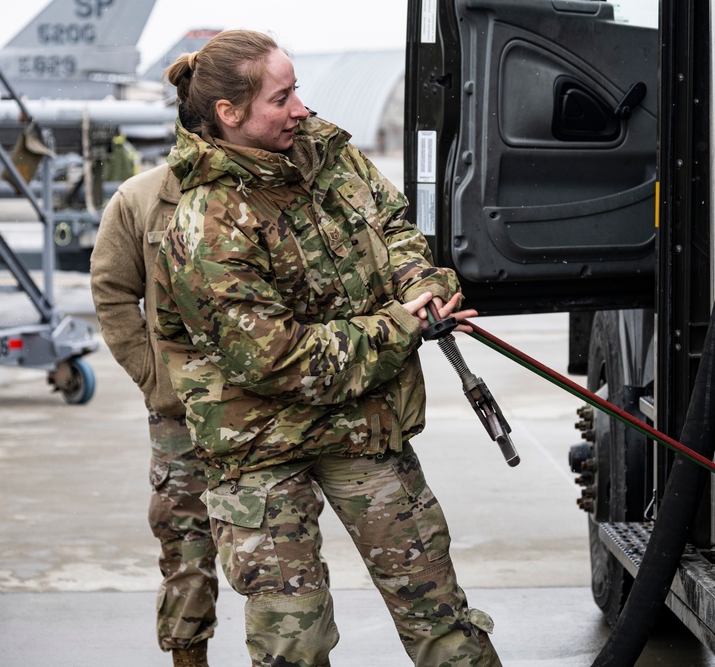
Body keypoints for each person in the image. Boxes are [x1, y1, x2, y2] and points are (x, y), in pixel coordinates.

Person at [154, 30, 501, 667]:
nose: (300, 109)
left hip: (363, 423)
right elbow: (278, 361)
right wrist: (402, 326)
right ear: (231, 115)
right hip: (263, 446)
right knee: (294, 642)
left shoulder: (326, 152)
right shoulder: (207, 221)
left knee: (443, 623)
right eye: (280, 98)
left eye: (297, 91)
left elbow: (392, 225)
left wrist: (419, 286)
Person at [90, 162, 219, 667]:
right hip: (181, 413)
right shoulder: (141, 197)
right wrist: (154, 376)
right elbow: (112, 289)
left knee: (280, 557)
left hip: (269, 409)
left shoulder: (272, 185)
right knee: (185, 548)